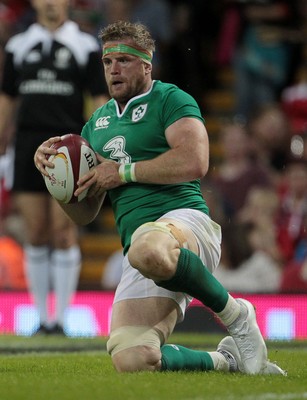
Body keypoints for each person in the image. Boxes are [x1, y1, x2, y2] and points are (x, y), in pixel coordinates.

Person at [34, 20, 285, 374]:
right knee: (133, 357)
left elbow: (195, 161)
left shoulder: (170, 99)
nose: (114, 69)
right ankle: (226, 361)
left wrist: (122, 172)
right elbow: (84, 214)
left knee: (147, 248)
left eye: (123, 60)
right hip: (141, 252)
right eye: (107, 63)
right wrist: (56, 179)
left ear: (147, 64)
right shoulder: (96, 124)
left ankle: (237, 315)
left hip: (186, 225)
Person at [0, 0, 108, 335]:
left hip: (70, 150)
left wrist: (99, 147)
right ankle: (41, 318)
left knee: (62, 232)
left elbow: (99, 99)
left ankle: (60, 319)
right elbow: (6, 99)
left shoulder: (86, 45)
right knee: (35, 232)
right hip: (28, 148)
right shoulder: (18, 46)